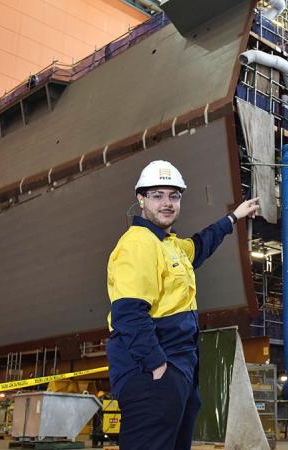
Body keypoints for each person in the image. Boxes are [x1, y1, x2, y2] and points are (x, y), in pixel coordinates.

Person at [106, 160, 260, 450]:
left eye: (174, 196)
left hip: (179, 367)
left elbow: (200, 245)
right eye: (158, 195)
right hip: (152, 372)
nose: (167, 203)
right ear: (141, 199)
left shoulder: (170, 245)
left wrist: (233, 218)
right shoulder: (138, 244)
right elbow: (128, 313)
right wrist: (157, 366)